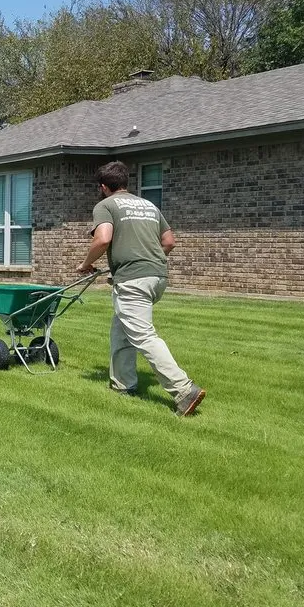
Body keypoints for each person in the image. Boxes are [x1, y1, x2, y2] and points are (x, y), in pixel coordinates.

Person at [76, 161, 206, 417]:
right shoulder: (149, 205)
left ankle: (183, 390)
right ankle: (123, 385)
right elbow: (169, 241)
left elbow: (103, 238)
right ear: (126, 182)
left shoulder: (106, 205)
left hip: (134, 279)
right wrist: (147, 260)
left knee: (144, 336)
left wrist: (85, 264)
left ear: (103, 187)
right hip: (157, 276)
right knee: (121, 329)